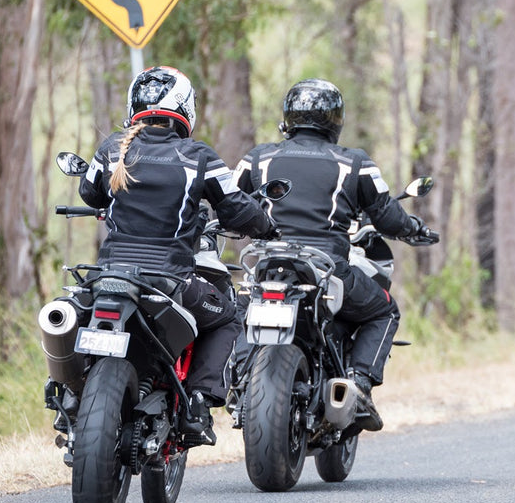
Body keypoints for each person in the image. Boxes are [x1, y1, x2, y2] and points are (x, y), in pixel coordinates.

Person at [79, 65, 277, 446]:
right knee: (228, 316)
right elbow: (236, 207)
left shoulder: (111, 149)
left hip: (108, 276)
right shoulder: (198, 156)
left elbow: (90, 195)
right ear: (185, 107)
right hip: (168, 281)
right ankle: (199, 402)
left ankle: (70, 396)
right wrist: (266, 225)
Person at [233, 78, 424, 419]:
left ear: (289, 117)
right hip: (328, 267)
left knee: (238, 309)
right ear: (336, 120)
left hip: (267, 265)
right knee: (385, 311)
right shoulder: (354, 163)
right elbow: (387, 214)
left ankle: (238, 379)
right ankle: (359, 382)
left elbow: (230, 203)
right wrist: (413, 228)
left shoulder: (257, 158)